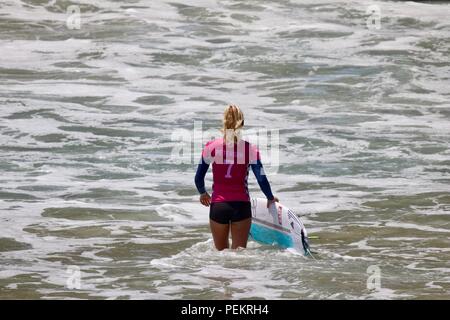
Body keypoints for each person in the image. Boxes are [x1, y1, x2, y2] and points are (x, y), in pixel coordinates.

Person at [194, 105, 279, 250]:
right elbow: (261, 178)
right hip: (241, 206)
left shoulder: (211, 146)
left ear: (223, 122)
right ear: (243, 124)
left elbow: (198, 177)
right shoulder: (250, 149)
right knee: (238, 256)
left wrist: (202, 192)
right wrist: (270, 197)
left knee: (221, 256)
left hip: (218, 206)